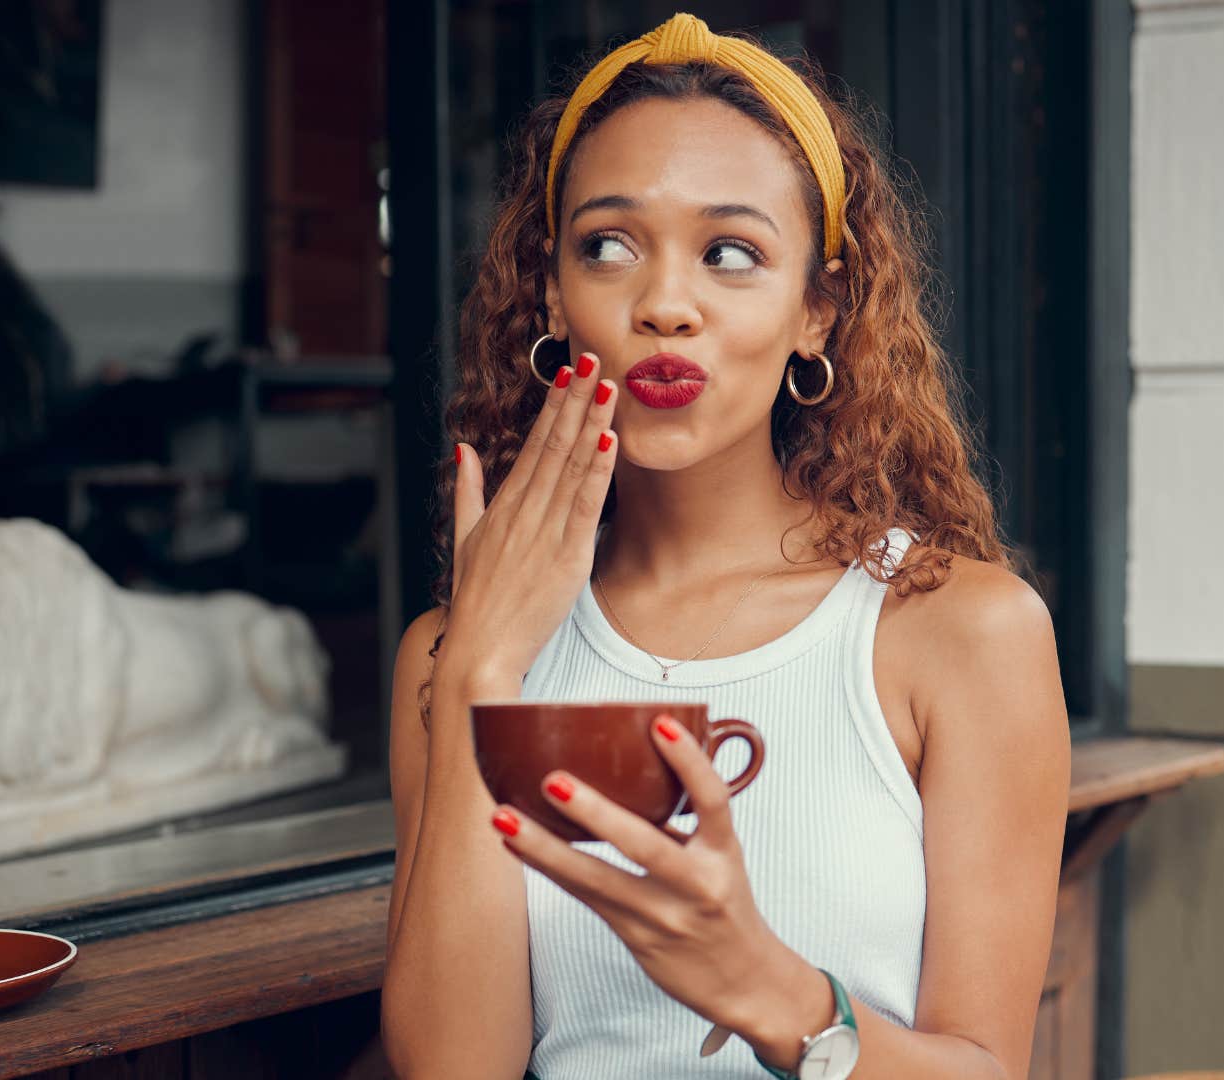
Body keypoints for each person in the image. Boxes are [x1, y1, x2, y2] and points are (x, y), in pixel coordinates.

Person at [381, 13, 1069, 1078]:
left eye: (731, 253)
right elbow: (452, 1068)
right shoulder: (454, 652)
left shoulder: (960, 632)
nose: (665, 304)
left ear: (819, 311)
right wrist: (479, 668)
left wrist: (768, 989)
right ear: (555, 298)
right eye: (607, 246)